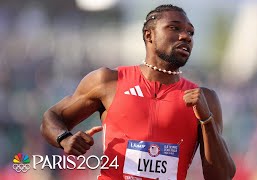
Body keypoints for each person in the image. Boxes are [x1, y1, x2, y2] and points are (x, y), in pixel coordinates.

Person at [40, 4, 236, 180]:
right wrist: (64, 139)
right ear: (149, 35)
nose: (186, 36)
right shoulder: (109, 81)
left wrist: (206, 120)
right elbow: (52, 117)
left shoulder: (204, 98)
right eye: (174, 28)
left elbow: (223, 176)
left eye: (191, 33)